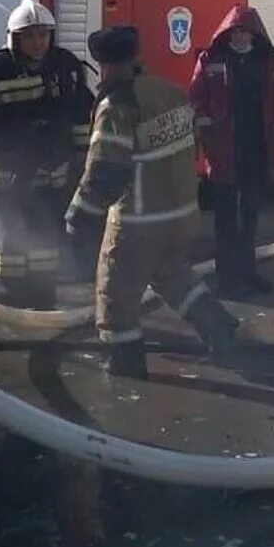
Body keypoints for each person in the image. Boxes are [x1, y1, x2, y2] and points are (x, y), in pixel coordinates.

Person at [66, 25, 239, 379]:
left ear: (104, 64)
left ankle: (124, 365)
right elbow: (191, 142)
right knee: (174, 277)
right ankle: (219, 329)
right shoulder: (171, 92)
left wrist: (79, 216)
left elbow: (105, 170)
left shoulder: (118, 105)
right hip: (181, 214)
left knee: (116, 294)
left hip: (140, 222)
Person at [0, 0, 93, 308]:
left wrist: (82, 157)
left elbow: (83, 114)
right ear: (15, 38)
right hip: (7, 178)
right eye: (30, 36)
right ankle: (7, 297)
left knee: (45, 238)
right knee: (7, 241)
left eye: (43, 35)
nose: (38, 43)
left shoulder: (66, 67)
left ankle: (43, 295)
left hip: (53, 174)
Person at [189, 6, 274, 298]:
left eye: (245, 31)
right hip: (223, 152)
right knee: (225, 220)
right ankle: (227, 278)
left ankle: (248, 272)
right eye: (236, 31)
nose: (241, 36)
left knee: (250, 216)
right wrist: (208, 139)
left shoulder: (269, 62)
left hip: (256, 150)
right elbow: (196, 98)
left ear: (255, 34)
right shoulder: (211, 59)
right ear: (227, 33)